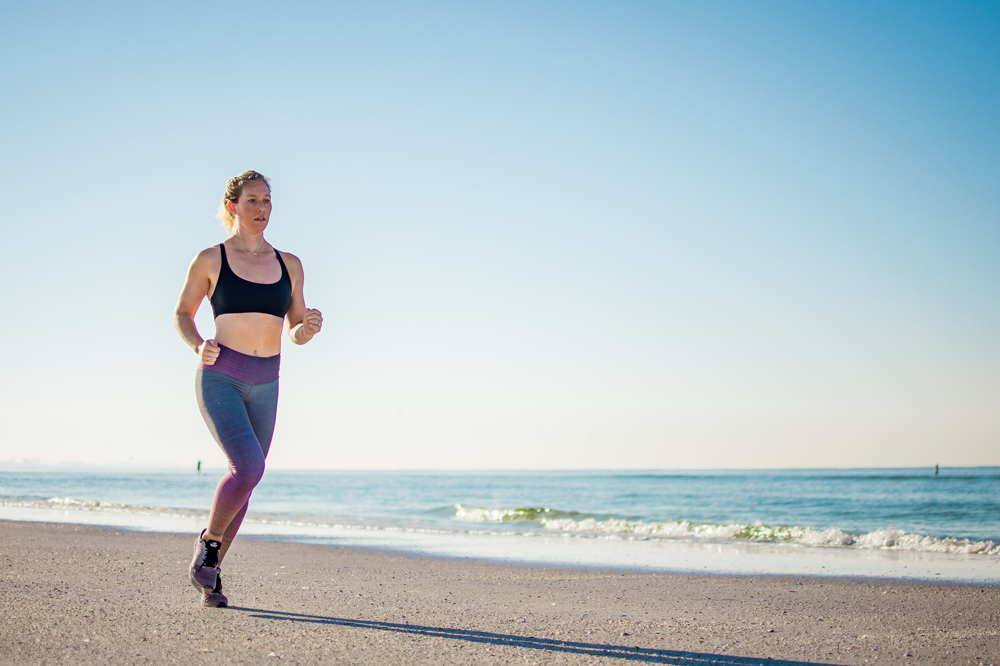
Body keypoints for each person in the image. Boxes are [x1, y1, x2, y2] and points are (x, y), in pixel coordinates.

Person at [174, 170, 323, 607]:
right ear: (232, 207)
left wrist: (307, 329)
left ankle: (210, 573)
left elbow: (294, 329)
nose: (262, 208)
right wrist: (198, 344)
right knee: (249, 468)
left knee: (248, 480)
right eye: (253, 200)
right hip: (221, 375)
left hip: (268, 381)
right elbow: (182, 312)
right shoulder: (210, 259)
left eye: (267, 200)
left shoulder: (288, 264)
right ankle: (209, 544)